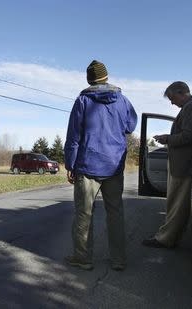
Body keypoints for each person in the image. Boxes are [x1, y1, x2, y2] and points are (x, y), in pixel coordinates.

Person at [64, 60, 137, 271]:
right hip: (114, 166)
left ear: (89, 80)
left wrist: (70, 163)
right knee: (115, 213)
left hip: (88, 166)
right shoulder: (122, 101)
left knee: (84, 214)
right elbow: (131, 125)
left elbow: (74, 137)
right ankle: (118, 260)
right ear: (106, 77)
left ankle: (83, 258)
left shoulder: (82, 101)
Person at [142, 81, 192, 249]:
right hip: (185, 165)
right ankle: (168, 235)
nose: (172, 102)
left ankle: (166, 239)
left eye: (172, 98)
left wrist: (167, 139)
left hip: (185, 166)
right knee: (175, 204)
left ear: (182, 92)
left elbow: (189, 136)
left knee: (177, 205)